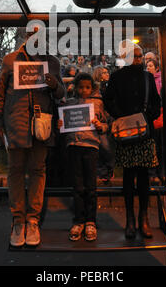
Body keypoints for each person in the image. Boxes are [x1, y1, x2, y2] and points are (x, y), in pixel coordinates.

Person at [0, 25, 65, 248]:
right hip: (16, 124)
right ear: (26, 36)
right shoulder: (10, 60)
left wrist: (54, 84)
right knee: (15, 171)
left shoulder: (52, 62)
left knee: (37, 172)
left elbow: (62, 93)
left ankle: (32, 220)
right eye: (32, 34)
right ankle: (17, 221)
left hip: (41, 126)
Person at [103, 44, 161, 239]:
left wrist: (149, 116)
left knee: (144, 178)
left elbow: (156, 101)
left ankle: (143, 218)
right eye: (135, 56)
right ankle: (130, 219)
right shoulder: (117, 77)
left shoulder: (148, 77)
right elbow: (108, 100)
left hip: (145, 132)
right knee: (128, 177)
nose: (139, 59)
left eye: (140, 56)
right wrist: (121, 116)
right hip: (126, 133)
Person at [58, 72, 108, 242]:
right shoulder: (70, 104)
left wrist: (100, 125)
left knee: (91, 187)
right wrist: (61, 125)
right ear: (76, 88)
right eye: (81, 87)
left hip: (91, 146)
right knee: (78, 186)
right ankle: (79, 220)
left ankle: (91, 221)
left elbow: (105, 124)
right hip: (74, 146)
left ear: (92, 87)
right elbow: (63, 126)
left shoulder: (97, 104)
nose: (84, 90)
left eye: (87, 87)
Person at [92, 66, 115, 182]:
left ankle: (108, 170)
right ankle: (102, 171)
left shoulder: (110, 86)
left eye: (107, 72)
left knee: (106, 146)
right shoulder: (95, 89)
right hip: (98, 119)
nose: (107, 74)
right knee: (101, 147)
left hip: (107, 119)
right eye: (103, 73)